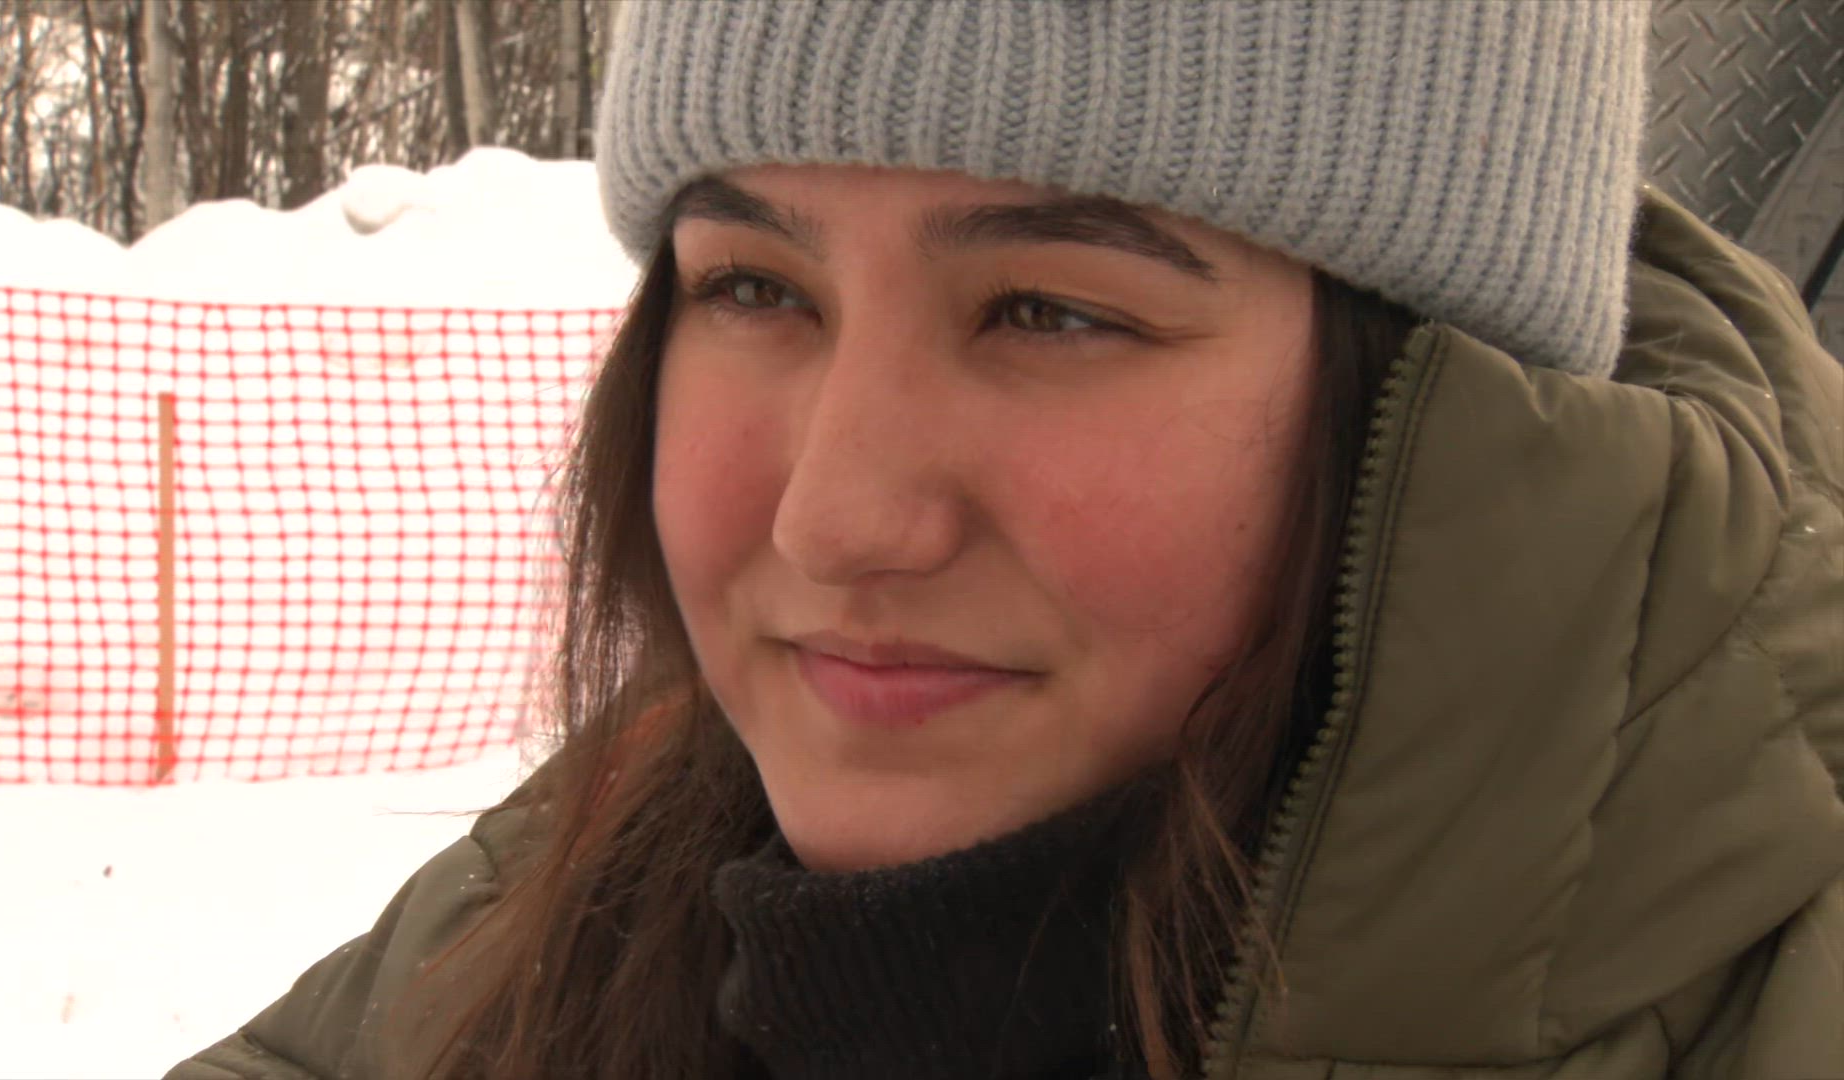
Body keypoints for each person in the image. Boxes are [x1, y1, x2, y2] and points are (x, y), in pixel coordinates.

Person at [169, 2, 1844, 1078]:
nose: (836, 518)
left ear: (1433, 396)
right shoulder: (563, 916)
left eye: (1052, 310)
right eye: (755, 287)